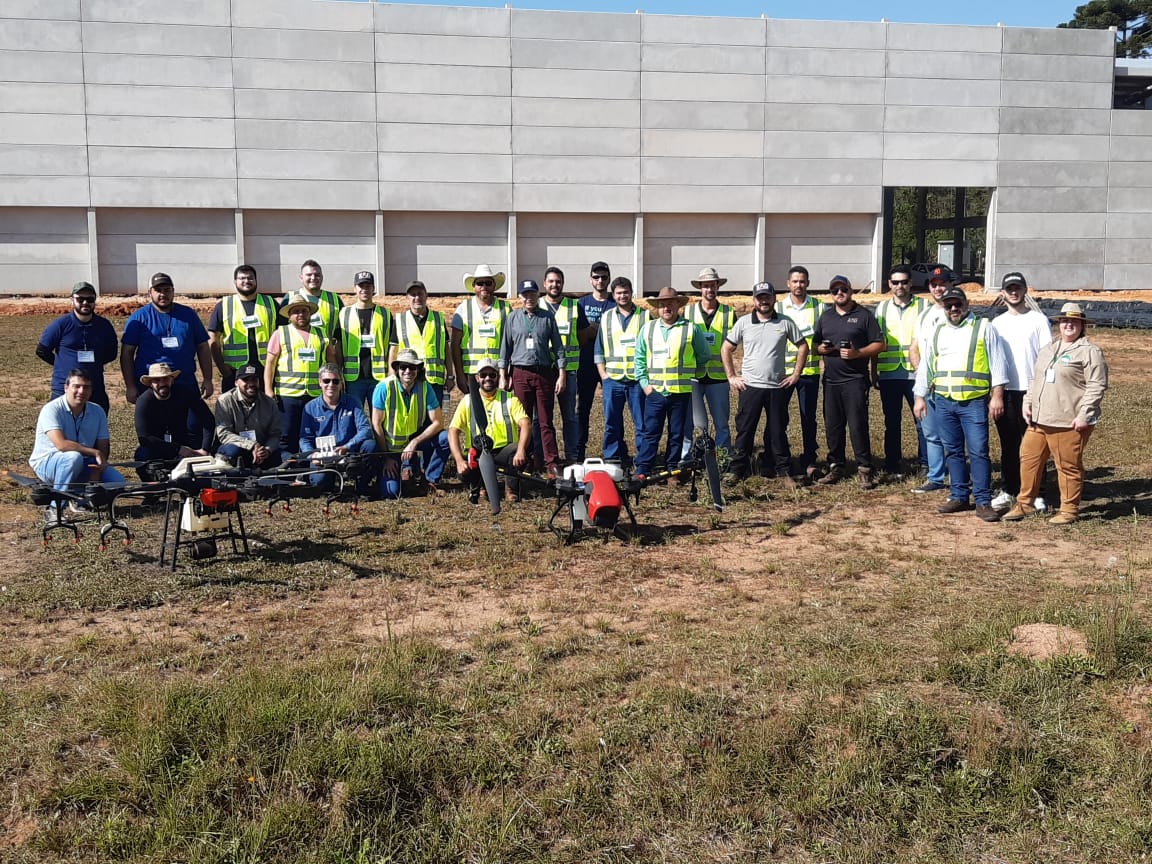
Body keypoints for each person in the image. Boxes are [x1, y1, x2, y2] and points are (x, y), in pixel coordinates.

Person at [1004, 304, 1108, 526]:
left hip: (1067, 421)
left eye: (1074, 322)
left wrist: (1084, 415)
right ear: (1058, 324)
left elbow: (1096, 386)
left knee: (1067, 465)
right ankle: (1025, 503)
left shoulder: (1089, 352)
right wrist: (1028, 401)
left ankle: (1069, 510)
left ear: (1082, 326)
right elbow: (1036, 379)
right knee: (1029, 459)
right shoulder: (1048, 349)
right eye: (1064, 321)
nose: (1068, 325)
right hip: (1039, 419)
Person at [913, 287, 1009, 522]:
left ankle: (983, 501)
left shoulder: (983, 327)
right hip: (944, 401)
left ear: (967, 304)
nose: (954, 309)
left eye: (958, 304)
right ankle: (959, 495)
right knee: (953, 451)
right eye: (949, 305)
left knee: (978, 451)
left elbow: (998, 363)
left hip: (973, 402)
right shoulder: (937, 331)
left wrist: (997, 396)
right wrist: (919, 396)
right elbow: (926, 366)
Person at [721, 282, 808, 483]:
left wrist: (795, 374)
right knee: (745, 430)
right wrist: (732, 376)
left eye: (767, 297)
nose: (764, 301)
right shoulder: (743, 323)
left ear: (773, 299)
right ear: (754, 300)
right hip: (750, 387)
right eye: (760, 297)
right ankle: (737, 470)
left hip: (776, 387)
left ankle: (783, 470)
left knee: (778, 430)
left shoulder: (785, 322)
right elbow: (726, 348)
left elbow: (802, 346)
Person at [811, 275, 885, 488]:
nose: (839, 293)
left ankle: (865, 468)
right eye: (835, 291)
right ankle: (836, 466)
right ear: (831, 294)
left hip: (855, 380)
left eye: (843, 289)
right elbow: (815, 344)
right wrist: (821, 349)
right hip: (831, 381)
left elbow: (879, 344)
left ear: (851, 291)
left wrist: (857, 353)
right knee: (833, 426)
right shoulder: (826, 317)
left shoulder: (864, 315)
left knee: (857, 425)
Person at [989, 272, 1054, 511]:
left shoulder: (1038, 320)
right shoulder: (997, 324)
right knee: (1009, 444)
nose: (1014, 292)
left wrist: (1040, 391)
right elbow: (993, 360)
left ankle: (1037, 492)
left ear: (1025, 290)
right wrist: (996, 394)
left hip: (1032, 390)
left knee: (1036, 444)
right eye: (1009, 288)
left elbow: (1047, 356)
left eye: (1018, 288)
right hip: (1005, 390)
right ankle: (1009, 489)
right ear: (1003, 293)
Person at [633, 287, 710, 480]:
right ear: (657, 308)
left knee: (677, 434)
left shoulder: (691, 328)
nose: (666, 307)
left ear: (678, 305)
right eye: (662, 304)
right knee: (650, 432)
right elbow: (639, 359)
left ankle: (671, 470)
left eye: (671, 303)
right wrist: (645, 386)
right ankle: (643, 468)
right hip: (655, 392)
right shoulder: (647, 329)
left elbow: (704, 356)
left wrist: (692, 378)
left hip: (681, 392)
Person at [29, 370, 126, 508]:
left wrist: (97, 470)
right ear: (66, 388)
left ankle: (81, 500)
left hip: (84, 462)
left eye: (86, 387)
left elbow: (103, 446)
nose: (81, 391)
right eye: (77, 386)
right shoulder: (51, 409)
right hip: (47, 462)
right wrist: (95, 453)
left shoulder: (98, 411)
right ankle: (55, 508)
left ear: (91, 391)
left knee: (118, 482)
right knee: (73, 458)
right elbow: (61, 445)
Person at [499, 279, 565, 477]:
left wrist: (561, 375)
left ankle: (551, 461)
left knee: (545, 420)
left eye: (533, 294)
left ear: (538, 295)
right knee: (523, 419)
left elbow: (559, 348)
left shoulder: (547, 318)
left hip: (544, 373)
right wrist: (503, 375)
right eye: (525, 294)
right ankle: (525, 459)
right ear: (520, 297)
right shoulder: (512, 318)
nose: (529, 298)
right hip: (520, 373)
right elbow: (505, 347)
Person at [120, 272, 214, 406]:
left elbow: (203, 346)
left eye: (167, 290)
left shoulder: (188, 315)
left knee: (196, 425)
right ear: (150, 292)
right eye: (158, 290)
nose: (163, 294)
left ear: (173, 291)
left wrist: (208, 379)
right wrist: (130, 386)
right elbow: (126, 353)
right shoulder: (138, 318)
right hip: (152, 386)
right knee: (156, 426)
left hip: (185, 382)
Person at [448, 359, 532, 503]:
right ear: (477, 378)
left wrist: (521, 450)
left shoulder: (510, 399)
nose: (487, 378)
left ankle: (510, 489)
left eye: (492, 375)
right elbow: (452, 431)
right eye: (483, 375)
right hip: (478, 453)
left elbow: (525, 424)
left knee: (518, 450)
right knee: (464, 472)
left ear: (498, 377)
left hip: (504, 452)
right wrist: (459, 459)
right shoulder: (468, 401)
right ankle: (481, 487)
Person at [872, 264, 928, 478]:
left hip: (916, 373)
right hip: (890, 374)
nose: (900, 286)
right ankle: (893, 464)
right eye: (895, 282)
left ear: (910, 283)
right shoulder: (882, 308)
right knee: (892, 422)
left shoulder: (924, 306)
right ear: (889, 284)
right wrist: (874, 371)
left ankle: (926, 463)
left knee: (922, 421)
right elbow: (877, 342)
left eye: (904, 281)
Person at [370, 349, 449, 498]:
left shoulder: (425, 387)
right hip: (390, 449)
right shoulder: (384, 387)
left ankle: (429, 481)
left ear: (418, 369)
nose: (408, 371)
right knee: (391, 493)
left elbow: (438, 422)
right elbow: (376, 424)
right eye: (403, 367)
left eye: (412, 367)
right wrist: (386, 458)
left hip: (412, 443)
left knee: (446, 438)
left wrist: (415, 441)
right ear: (397, 369)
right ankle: (389, 474)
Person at [36, 281, 119, 415]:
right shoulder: (60, 325)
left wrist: (93, 363)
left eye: (90, 299)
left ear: (95, 301)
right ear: (72, 300)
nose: (85, 303)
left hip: (94, 389)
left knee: (94, 431)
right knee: (63, 430)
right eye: (80, 299)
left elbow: (112, 353)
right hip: (64, 389)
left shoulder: (104, 326)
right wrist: (61, 364)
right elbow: (42, 350)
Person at [775, 265, 824, 480]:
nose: (798, 285)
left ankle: (809, 459)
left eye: (802, 281)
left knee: (808, 417)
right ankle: (779, 458)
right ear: (788, 284)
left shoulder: (819, 307)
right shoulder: (778, 308)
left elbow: (824, 338)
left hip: (809, 372)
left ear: (808, 283)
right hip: (783, 372)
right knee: (779, 417)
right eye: (794, 281)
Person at [595, 276, 648, 466]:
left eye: (626, 292)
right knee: (612, 422)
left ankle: (643, 459)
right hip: (613, 379)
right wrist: (603, 375)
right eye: (618, 293)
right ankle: (612, 457)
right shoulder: (607, 317)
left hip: (637, 380)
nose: (622, 296)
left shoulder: (645, 316)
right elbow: (599, 348)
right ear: (613, 295)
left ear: (631, 293)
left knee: (641, 422)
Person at [684, 267, 736, 460]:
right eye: (705, 286)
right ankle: (691, 457)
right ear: (700, 288)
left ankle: (723, 457)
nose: (709, 289)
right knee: (692, 422)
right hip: (694, 376)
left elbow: (735, 343)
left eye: (712, 285)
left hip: (719, 377)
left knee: (722, 422)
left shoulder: (729, 313)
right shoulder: (688, 312)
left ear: (717, 287)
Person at [298, 364, 376, 492]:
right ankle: (329, 479)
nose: (331, 385)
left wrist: (347, 446)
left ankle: (362, 485)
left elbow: (365, 429)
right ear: (320, 383)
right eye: (326, 381)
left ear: (341, 383)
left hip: (348, 454)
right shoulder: (310, 408)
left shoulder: (353, 402)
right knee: (320, 484)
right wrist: (313, 455)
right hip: (323, 457)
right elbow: (304, 439)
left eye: (335, 381)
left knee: (370, 445)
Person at [264, 295, 327, 454]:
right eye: (296, 311)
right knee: (287, 435)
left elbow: (329, 363)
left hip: (314, 394)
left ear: (310, 313)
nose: (300, 314)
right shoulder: (281, 332)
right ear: (289, 315)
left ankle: (309, 467)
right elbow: (270, 363)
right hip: (288, 395)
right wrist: (268, 389)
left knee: (312, 434)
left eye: (304, 311)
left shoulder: (321, 334)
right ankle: (288, 469)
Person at [541, 266, 591, 463]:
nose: (555, 285)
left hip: (568, 371)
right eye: (551, 281)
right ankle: (543, 456)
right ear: (545, 284)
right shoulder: (536, 305)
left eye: (558, 281)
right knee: (542, 418)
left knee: (569, 416)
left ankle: (572, 456)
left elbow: (583, 335)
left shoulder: (573, 306)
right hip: (543, 370)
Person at [911, 266, 954, 493]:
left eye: (943, 284)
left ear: (951, 285)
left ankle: (957, 475)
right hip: (926, 383)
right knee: (930, 432)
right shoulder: (925, 315)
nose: (939, 288)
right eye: (934, 284)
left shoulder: (957, 312)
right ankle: (936, 477)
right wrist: (921, 372)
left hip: (950, 383)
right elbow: (915, 347)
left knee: (953, 433)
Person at [133, 362, 214, 478]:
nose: (162, 384)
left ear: (172, 380)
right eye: (157, 380)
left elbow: (208, 419)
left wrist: (205, 449)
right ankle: (152, 490)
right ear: (150, 383)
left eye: (165, 379)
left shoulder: (184, 393)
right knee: (142, 454)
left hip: (185, 443)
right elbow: (145, 439)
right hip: (159, 447)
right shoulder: (144, 402)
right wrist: (177, 449)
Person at [207, 264, 278, 393]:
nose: (246, 281)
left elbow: (283, 334)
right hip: (234, 372)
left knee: (266, 410)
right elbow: (213, 339)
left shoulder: (270, 303)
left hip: (265, 369)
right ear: (235, 282)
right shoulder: (224, 305)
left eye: (250, 278)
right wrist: (222, 368)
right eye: (242, 278)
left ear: (256, 281)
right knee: (234, 410)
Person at [573, 261, 615, 461]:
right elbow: (578, 333)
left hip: (609, 364)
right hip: (586, 364)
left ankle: (615, 451)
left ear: (609, 279)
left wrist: (593, 329)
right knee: (583, 409)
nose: (600, 280)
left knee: (612, 409)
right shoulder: (581, 303)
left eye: (604, 277)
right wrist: (591, 331)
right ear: (591, 279)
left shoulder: (616, 302)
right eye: (596, 277)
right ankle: (579, 450)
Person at [337, 271, 395, 410]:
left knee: (380, 418)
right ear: (354, 288)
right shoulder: (344, 314)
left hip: (379, 376)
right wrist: (339, 373)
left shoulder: (385, 314)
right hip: (353, 378)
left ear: (373, 288)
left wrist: (391, 373)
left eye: (368, 286)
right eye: (361, 286)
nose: (364, 289)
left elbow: (392, 346)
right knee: (354, 416)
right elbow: (338, 345)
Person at [451, 264, 510, 394]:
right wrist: (459, 375)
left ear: (494, 285)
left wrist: (506, 373)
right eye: (480, 283)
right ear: (474, 286)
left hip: (497, 373)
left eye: (488, 283)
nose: (484, 287)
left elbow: (512, 343)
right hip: (472, 373)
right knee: (474, 413)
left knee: (497, 411)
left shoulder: (506, 308)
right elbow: (454, 345)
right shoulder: (463, 309)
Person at [392, 279, 452, 402]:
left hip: (434, 380)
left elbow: (446, 349)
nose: (417, 297)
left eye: (420, 293)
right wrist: (393, 377)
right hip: (409, 379)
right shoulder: (400, 320)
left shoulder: (438, 319)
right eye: (413, 295)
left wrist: (450, 376)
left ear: (426, 295)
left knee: (434, 418)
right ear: (407, 298)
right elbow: (393, 351)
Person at [215, 365, 283, 469]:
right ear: (236, 382)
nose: (251, 384)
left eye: (254, 380)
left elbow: (275, 434)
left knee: (284, 456)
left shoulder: (270, 403)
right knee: (232, 451)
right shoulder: (224, 401)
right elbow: (224, 434)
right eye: (246, 380)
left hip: (261, 450)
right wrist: (251, 445)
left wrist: (267, 450)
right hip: (238, 447)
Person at [282, 259, 341, 341]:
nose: (313, 278)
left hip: (326, 351)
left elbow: (340, 331)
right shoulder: (289, 298)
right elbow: (281, 328)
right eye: (309, 275)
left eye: (317, 275)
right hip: (297, 351)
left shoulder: (334, 299)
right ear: (301, 278)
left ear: (322, 277)